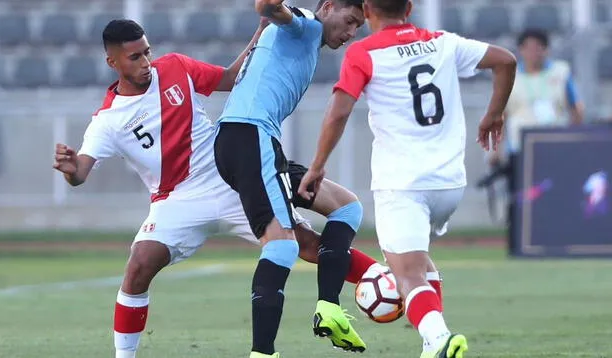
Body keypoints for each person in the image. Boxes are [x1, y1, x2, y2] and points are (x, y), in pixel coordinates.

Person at [52, 19, 379, 358]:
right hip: (177, 198)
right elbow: (80, 173)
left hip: (229, 176)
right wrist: (71, 168)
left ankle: (386, 279)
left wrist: (259, 32)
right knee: (138, 266)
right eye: (135, 57)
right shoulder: (107, 120)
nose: (146, 63)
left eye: (147, 53)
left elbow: (229, 78)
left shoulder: (175, 67)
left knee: (306, 245)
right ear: (113, 62)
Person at [298, 0, 517, 357]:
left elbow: (338, 112)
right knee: (420, 263)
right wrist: (494, 114)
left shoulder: (364, 52)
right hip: (449, 184)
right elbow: (506, 60)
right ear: (411, 8)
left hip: (403, 184)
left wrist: (318, 165)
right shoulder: (443, 42)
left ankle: (440, 338)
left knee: (406, 275)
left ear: (367, 8)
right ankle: (433, 343)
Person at [214, 0, 367, 356]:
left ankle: (329, 307)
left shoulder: (303, 39)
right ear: (328, 7)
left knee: (346, 207)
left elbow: (268, 26)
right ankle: (262, 353)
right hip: (250, 137)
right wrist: (271, 6)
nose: (350, 33)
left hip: (252, 142)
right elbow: (273, 10)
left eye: (358, 27)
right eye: (349, 21)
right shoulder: (309, 25)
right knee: (282, 244)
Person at [486, 28, 584, 245]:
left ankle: (557, 239)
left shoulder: (560, 73)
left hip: (554, 146)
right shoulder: (509, 75)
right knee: (521, 197)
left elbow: (576, 107)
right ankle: (519, 242)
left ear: (546, 49)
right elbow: (500, 115)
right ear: (521, 50)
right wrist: (496, 150)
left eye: (538, 47)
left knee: (557, 194)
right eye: (528, 47)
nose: (533, 52)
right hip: (519, 147)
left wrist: (573, 138)